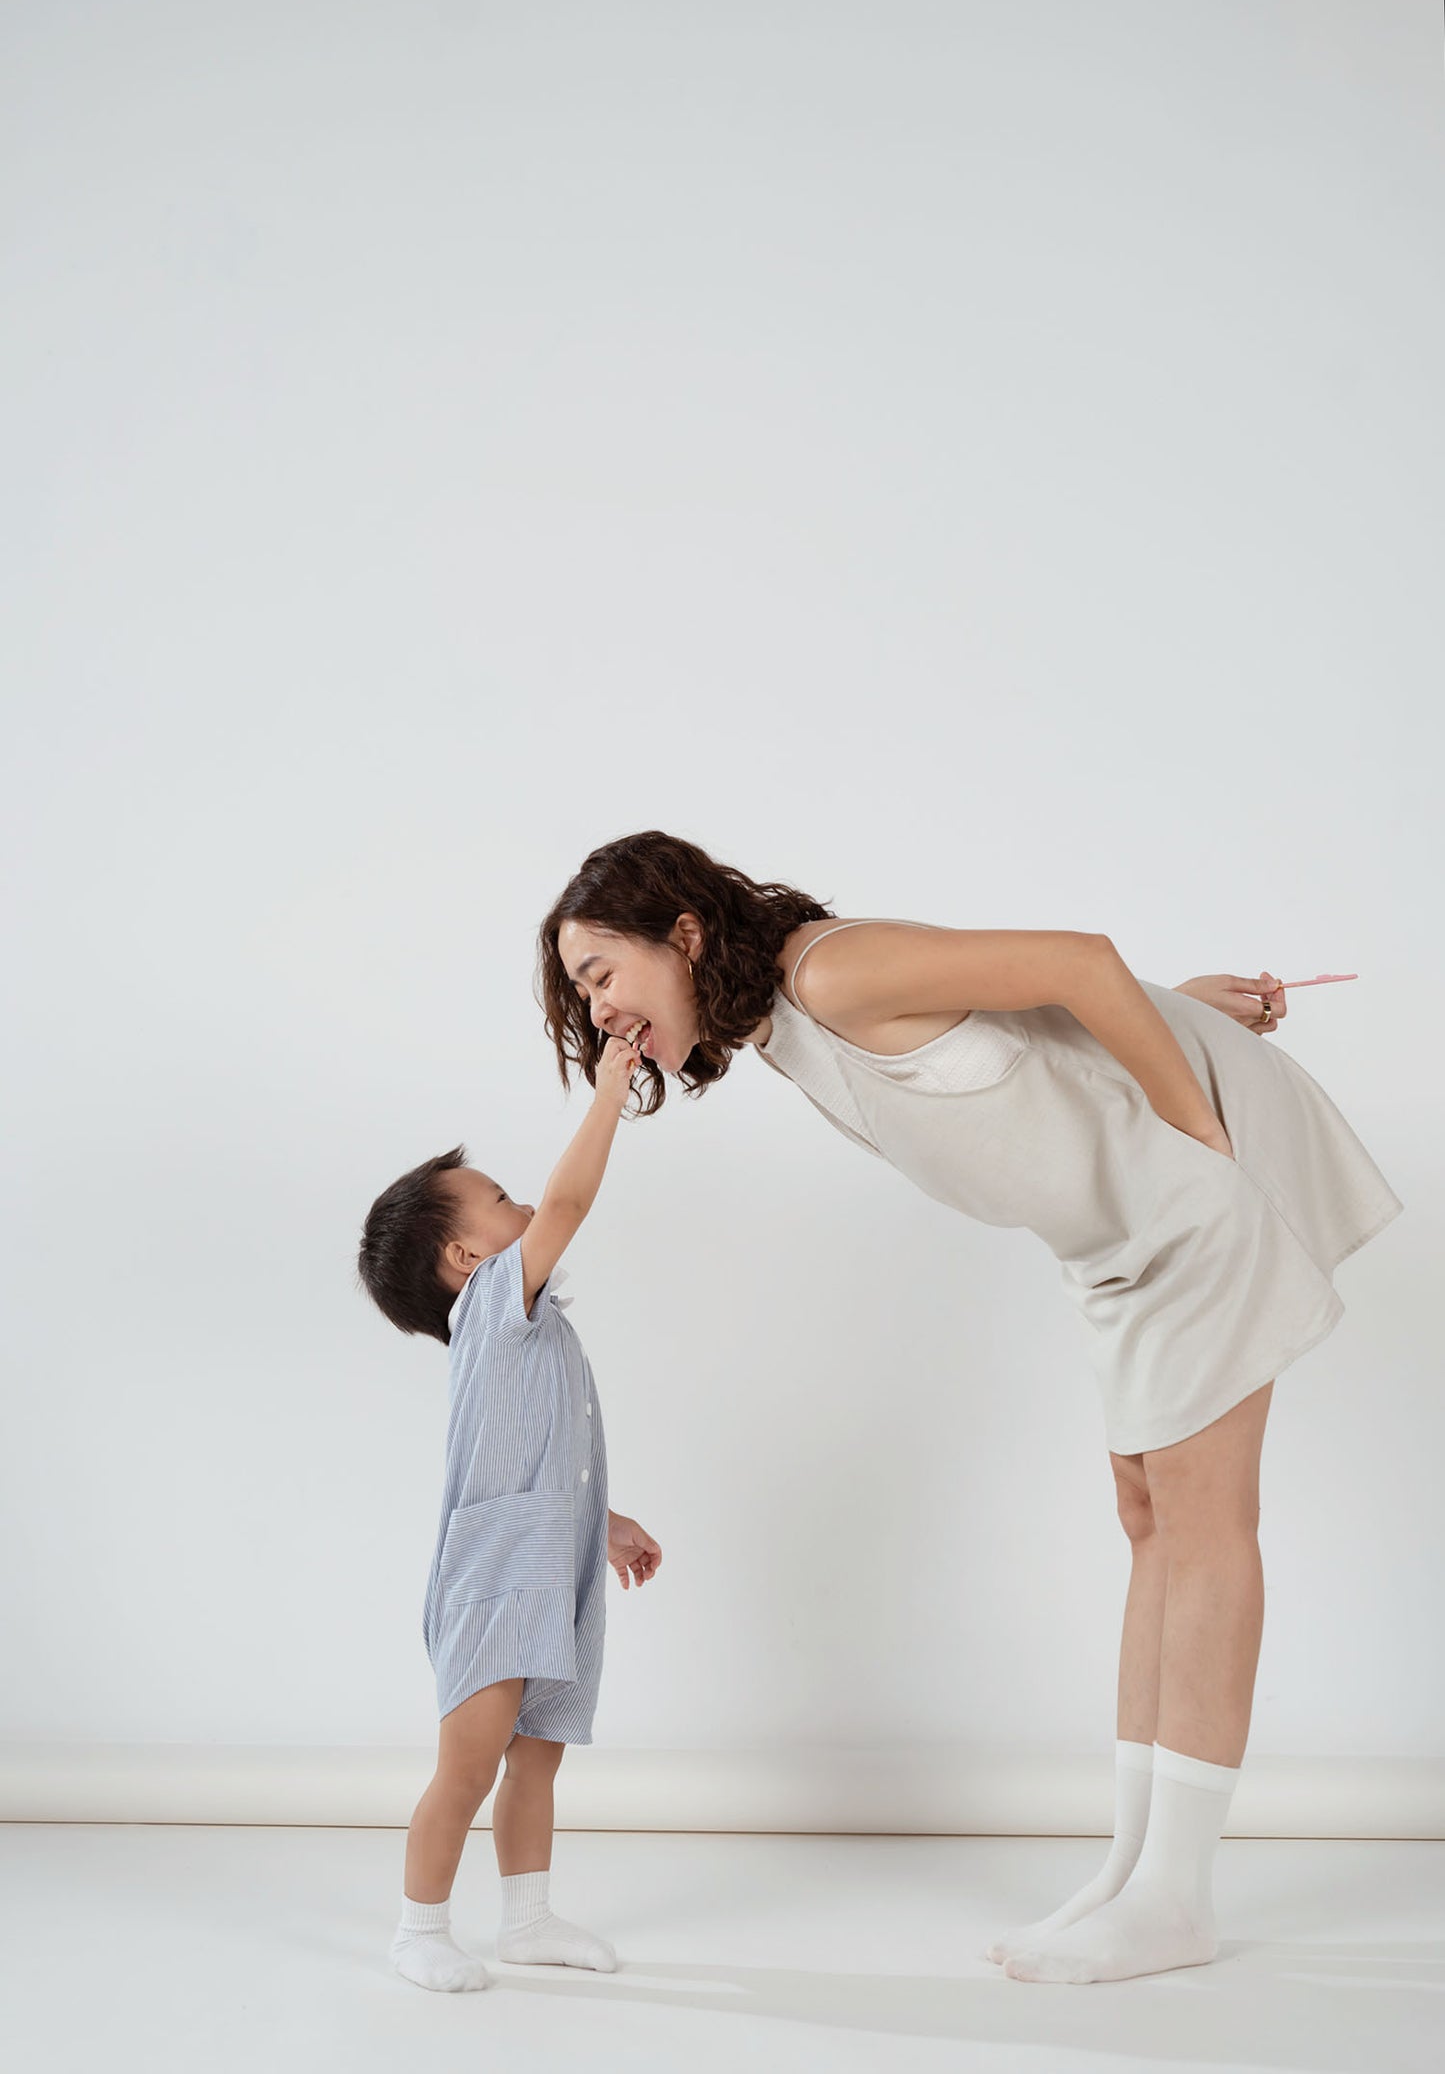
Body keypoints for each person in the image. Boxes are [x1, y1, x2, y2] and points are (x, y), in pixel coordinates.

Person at [535, 829, 1401, 1988]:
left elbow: (1076, 960)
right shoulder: (783, 1019)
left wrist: (1193, 1122)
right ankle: (1135, 1866)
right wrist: (1180, 1008)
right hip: (1115, 1234)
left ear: (682, 933)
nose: (596, 1011)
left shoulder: (825, 972)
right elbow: (1022, 1026)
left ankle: (1175, 1895)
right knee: (1149, 1516)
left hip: (1182, 1199)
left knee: (1201, 1524)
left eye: (599, 974)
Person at [356, 1030, 663, 1992]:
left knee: (539, 1759)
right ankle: (419, 1929)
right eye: (499, 1202)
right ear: (466, 1253)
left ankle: (526, 1919)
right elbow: (568, 1202)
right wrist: (610, 1090)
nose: (522, 1202)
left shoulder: (532, 1323)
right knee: (470, 1763)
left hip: (554, 1560)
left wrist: (602, 1520)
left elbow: (542, 1452)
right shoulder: (496, 1299)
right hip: (498, 1573)